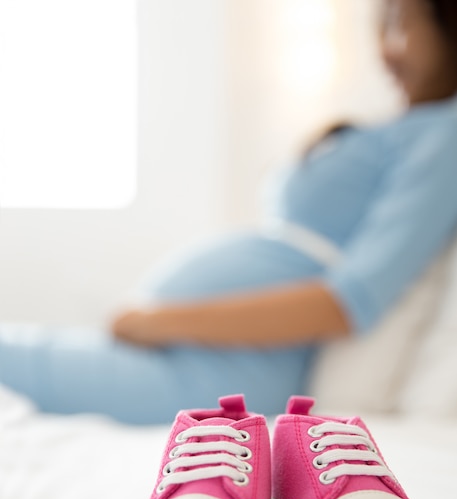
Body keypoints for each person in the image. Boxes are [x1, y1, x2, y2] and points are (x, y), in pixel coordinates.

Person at [1, 0, 457, 424]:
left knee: (16, 359)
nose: (385, 49)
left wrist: (158, 322)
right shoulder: (408, 128)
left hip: (235, 367)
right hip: (201, 352)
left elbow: (349, 302)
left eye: (402, 24)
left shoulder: (446, 133)